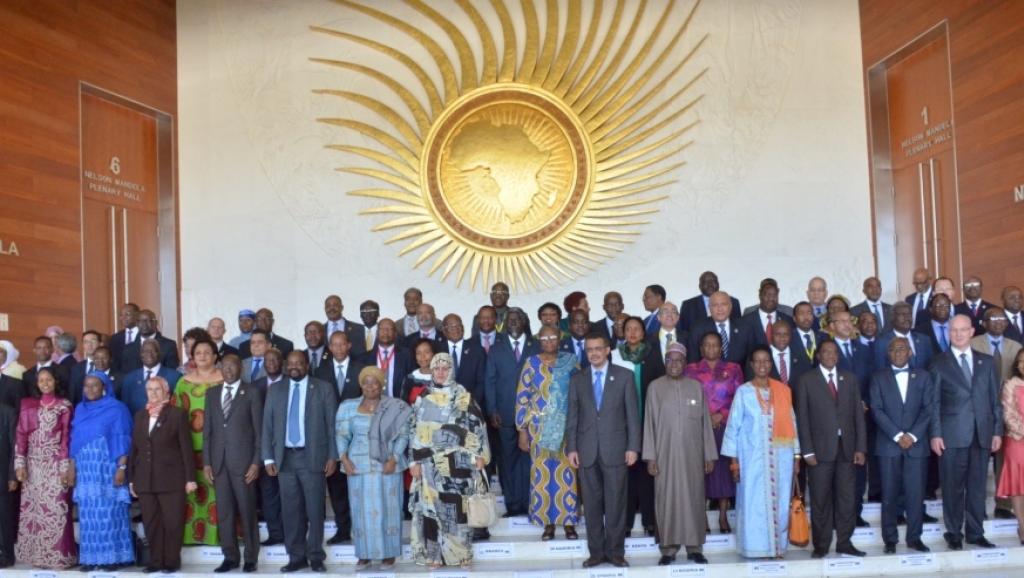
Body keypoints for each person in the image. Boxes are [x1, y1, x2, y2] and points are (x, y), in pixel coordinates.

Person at [408, 353, 490, 569]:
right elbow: (413, 431)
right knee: (430, 510)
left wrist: (479, 455)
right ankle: (433, 554)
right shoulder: (422, 397)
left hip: (458, 463)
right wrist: (413, 462)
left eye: (445, 368)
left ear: (452, 370)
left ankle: (461, 554)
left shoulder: (463, 396)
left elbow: (477, 426)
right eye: (437, 368)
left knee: (458, 510)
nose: (441, 372)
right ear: (432, 371)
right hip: (428, 464)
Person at [567, 333, 640, 568]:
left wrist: (633, 447)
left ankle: (616, 552)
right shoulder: (577, 379)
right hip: (586, 451)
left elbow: (632, 416)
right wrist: (571, 448)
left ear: (608, 350)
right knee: (592, 505)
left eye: (598, 348)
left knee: (616, 504)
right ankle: (596, 553)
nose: (594, 353)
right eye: (590, 349)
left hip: (617, 450)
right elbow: (573, 417)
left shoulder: (624, 376)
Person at [930, 314, 1002, 550]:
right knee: (952, 487)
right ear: (948, 333)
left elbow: (995, 400)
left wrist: (997, 432)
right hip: (951, 435)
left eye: (963, 330)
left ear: (972, 332)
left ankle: (975, 532)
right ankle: (953, 532)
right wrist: (935, 434)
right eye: (954, 330)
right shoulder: (938, 362)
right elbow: (934, 403)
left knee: (977, 486)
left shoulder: (987, 361)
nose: (958, 334)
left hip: (982, 434)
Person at [261, 351, 338, 573]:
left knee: (314, 509)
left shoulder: (323, 388)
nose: (295, 366)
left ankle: (315, 556)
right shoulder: (275, 390)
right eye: (291, 363)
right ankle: (296, 557)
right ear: (286, 365)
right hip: (284, 458)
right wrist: (268, 457)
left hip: (312, 456)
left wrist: (332, 456)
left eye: (299, 363)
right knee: (290, 510)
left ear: (307, 365)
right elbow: (267, 425)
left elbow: (332, 426)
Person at [722, 346, 801, 559]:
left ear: (771, 363)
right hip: (752, 459)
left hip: (781, 457)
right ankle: (755, 548)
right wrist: (734, 462)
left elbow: (792, 424)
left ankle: (777, 548)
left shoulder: (783, 391)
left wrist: (796, 455)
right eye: (757, 361)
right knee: (753, 503)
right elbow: (733, 428)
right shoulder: (744, 392)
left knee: (781, 501)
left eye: (766, 360)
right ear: (751, 364)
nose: (762, 365)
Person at [645, 342, 717, 565]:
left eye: (678, 360)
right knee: (666, 500)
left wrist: (708, 455)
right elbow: (649, 424)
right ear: (664, 362)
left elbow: (705, 423)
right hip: (664, 455)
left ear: (685, 363)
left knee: (694, 498)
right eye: (669, 360)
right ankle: (668, 548)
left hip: (693, 456)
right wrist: (650, 457)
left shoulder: (695, 387)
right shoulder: (655, 388)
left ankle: (695, 547)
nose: (674, 364)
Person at [795, 341, 867, 558]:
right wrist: (806, 450)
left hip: (847, 450)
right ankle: (821, 545)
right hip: (819, 452)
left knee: (847, 499)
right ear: (818, 355)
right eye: (825, 352)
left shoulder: (850, 379)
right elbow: (802, 418)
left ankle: (844, 542)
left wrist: (860, 448)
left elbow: (857, 416)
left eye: (834, 352)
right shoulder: (806, 380)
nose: (830, 355)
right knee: (820, 500)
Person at [336, 367, 411, 570]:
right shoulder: (348, 407)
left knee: (390, 509)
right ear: (361, 384)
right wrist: (344, 459)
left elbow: (403, 435)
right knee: (361, 511)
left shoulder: (395, 407)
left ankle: (389, 554)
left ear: (382, 384)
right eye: (366, 382)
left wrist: (394, 459)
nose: (370, 386)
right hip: (358, 467)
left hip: (387, 465)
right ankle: (364, 554)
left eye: (375, 382)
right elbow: (342, 435)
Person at [869, 338, 934, 554]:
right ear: (888, 353)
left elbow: (928, 409)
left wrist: (913, 436)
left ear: (910, 353)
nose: (898, 352)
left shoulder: (924, 377)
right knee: (889, 494)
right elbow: (876, 410)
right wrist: (898, 435)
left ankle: (914, 538)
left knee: (915, 494)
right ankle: (890, 539)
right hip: (889, 445)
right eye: (894, 349)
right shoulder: (878, 377)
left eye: (903, 349)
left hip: (916, 445)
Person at [515, 325, 580, 541]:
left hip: (566, 427)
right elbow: (522, 397)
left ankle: (569, 522)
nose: (549, 340)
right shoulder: (531, 363)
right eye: (545, 337)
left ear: (560, 338)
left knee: (567, 476)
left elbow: (581, 393)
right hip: (539, 429)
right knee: (542, 477)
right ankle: (548, 523)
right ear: (539, 339)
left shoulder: (571, 361)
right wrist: (522, 431)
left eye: (553, 336)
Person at [129, 375, 197, 573]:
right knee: (151, 523)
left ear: (166, 392)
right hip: (145, 479)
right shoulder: (140, 415)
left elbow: (186, 448)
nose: (154, 393)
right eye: (150, 390)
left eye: (158, 389)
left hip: (171, 479)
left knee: (172, 523)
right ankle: (156, 561)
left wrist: (190, 478)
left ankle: (171, 562)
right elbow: (135, 449)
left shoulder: (177, 414)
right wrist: (132, 479)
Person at [202, 355, 262, 573]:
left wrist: (256, 463)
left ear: (241, 367)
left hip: (244, 464)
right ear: (220, 368)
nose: (228, 370)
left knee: (247, 511)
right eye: (224, 366)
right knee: (225, 513)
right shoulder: (212, 393)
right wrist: (207, 463)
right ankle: (230, 557)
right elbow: (207, 431)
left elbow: (259, 431)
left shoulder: (252, 392)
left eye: (233, 366)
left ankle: (251, 558)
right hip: (219, 464)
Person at [70, 371, 135, 571]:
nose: (89, 389)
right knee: (88, 515)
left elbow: (123, 439)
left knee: (109, 513)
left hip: (108, 469)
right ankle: (91, 558)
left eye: (95, 385)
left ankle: (113, 558)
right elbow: (74, 441)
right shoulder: (80, 409)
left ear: (104, 387)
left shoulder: (117, 409)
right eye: (86, 385)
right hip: (86, 470)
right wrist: (72, 468)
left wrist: (122, 468)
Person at [13, 367, 76, 569]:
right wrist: (20, 463)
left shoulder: (64, 406)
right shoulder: (27, 405)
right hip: (32, 466)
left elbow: (66, 437)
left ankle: (58, 557)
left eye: (49, 379)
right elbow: (21, 435)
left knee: (56, 510)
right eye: (41, 380)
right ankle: (37, 556)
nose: (45, 383)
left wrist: (64, 467)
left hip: (55, 465)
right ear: (37, 383)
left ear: (55, 382)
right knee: (33, 512)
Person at [685, 331, 742, 533]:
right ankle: (701, 517)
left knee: (724, 473)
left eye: (715, 345)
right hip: (699, 428)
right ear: (701, 349)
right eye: (706, 345)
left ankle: (723, 517)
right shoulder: (689, 370)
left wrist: (721, 415)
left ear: (721, 348)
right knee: (701, 472)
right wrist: (705, 417)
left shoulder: (733, 369)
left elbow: (739, 397)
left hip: (725, 428)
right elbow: (685, 399)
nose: (711, 348)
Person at [484, 307, 537, 518]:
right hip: (504, 414)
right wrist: (492, 409)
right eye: (510, 320)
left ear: (524, 322)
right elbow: (490, 380)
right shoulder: (496, 349)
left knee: (528, 460)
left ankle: (530, 503)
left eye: (517, 319)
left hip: (532, 416)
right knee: (507, 460)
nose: (513, 323)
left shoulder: (536, 346)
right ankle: (513, 505)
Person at [313, 330, 366, 545]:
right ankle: (343, 530)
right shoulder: (320, 370)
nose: (338, 348)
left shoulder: (360, 368)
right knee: (337, 488)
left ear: (349, 345)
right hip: (332, 437)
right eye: (334, 345)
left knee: (359, 485)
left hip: (359, 437)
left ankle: (362, 529)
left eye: (342, 344)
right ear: (330, 347)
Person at [972, 307, 1023, 519]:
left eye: (1002, 318)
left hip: (1010, 408)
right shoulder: (974, 344)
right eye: (992, 318)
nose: (998, 322)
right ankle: (977, 506)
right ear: (984, 322)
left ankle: (1003, 505)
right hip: (982, 409)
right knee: (980, 459)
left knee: (1005, 460)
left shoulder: (1016, 345)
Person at [173, 337, 223, 546]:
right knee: (194, 490)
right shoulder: (183, 383)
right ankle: (194, 536)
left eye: (207, 352)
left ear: (215, 356)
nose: (202, 356)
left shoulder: (225, 379)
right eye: (198, 353)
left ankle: (218, 536)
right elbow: (175, 414)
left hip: (220, 444)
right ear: (192, 357)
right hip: (190, 445)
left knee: (218, 491)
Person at [997, 349, 1024, 543]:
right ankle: (1022, 525)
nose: (1023, 364)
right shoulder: (1010, 385)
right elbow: (1008, 415)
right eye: (1021, 361)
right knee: (1017, 484)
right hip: (1017, 441)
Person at [688, 291, 753, 365]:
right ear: (709, 308)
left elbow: (751, 360)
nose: (720, 309)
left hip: (739, 375)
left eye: (724, 304)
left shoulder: (745, 327)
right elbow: (693, 361)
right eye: (715, 305)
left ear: (730, 306)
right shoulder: (698, 329)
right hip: (707, 376)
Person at [120, 340, 182, 416]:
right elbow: (125, 408)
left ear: (159, 353)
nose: (148, 354)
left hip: (166, 425)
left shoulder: (174, 377)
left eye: (152, 351)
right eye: (144, 351)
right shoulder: (129, 379)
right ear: (140, 354)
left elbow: (178, 406)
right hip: (137, 425)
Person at [359, 319, 414, 399]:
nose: (385, 332)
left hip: (398, 404)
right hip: (373, 404)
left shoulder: (407, 355)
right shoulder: (364, 358)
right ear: (377, 333)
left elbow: (411, 381)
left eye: (389, 329)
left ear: (395, 334)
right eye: (382, 329)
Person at [741, 279, 793, 347]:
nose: (771, 298)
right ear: (760, 295)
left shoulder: (787, 319)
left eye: (774, 295)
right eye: (767, 295)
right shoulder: (746, 320)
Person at [0, 389, 15, 568]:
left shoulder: (8, 412)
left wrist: (12, 475)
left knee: (3, 517)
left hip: (2, 474)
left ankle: (7, 555)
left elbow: (15, 448)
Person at [109, 302, 141, 373]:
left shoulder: (144, 336)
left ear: (137, 315)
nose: (123, 318)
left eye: (127, 314)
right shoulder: (115, 338)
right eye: (121, 315)